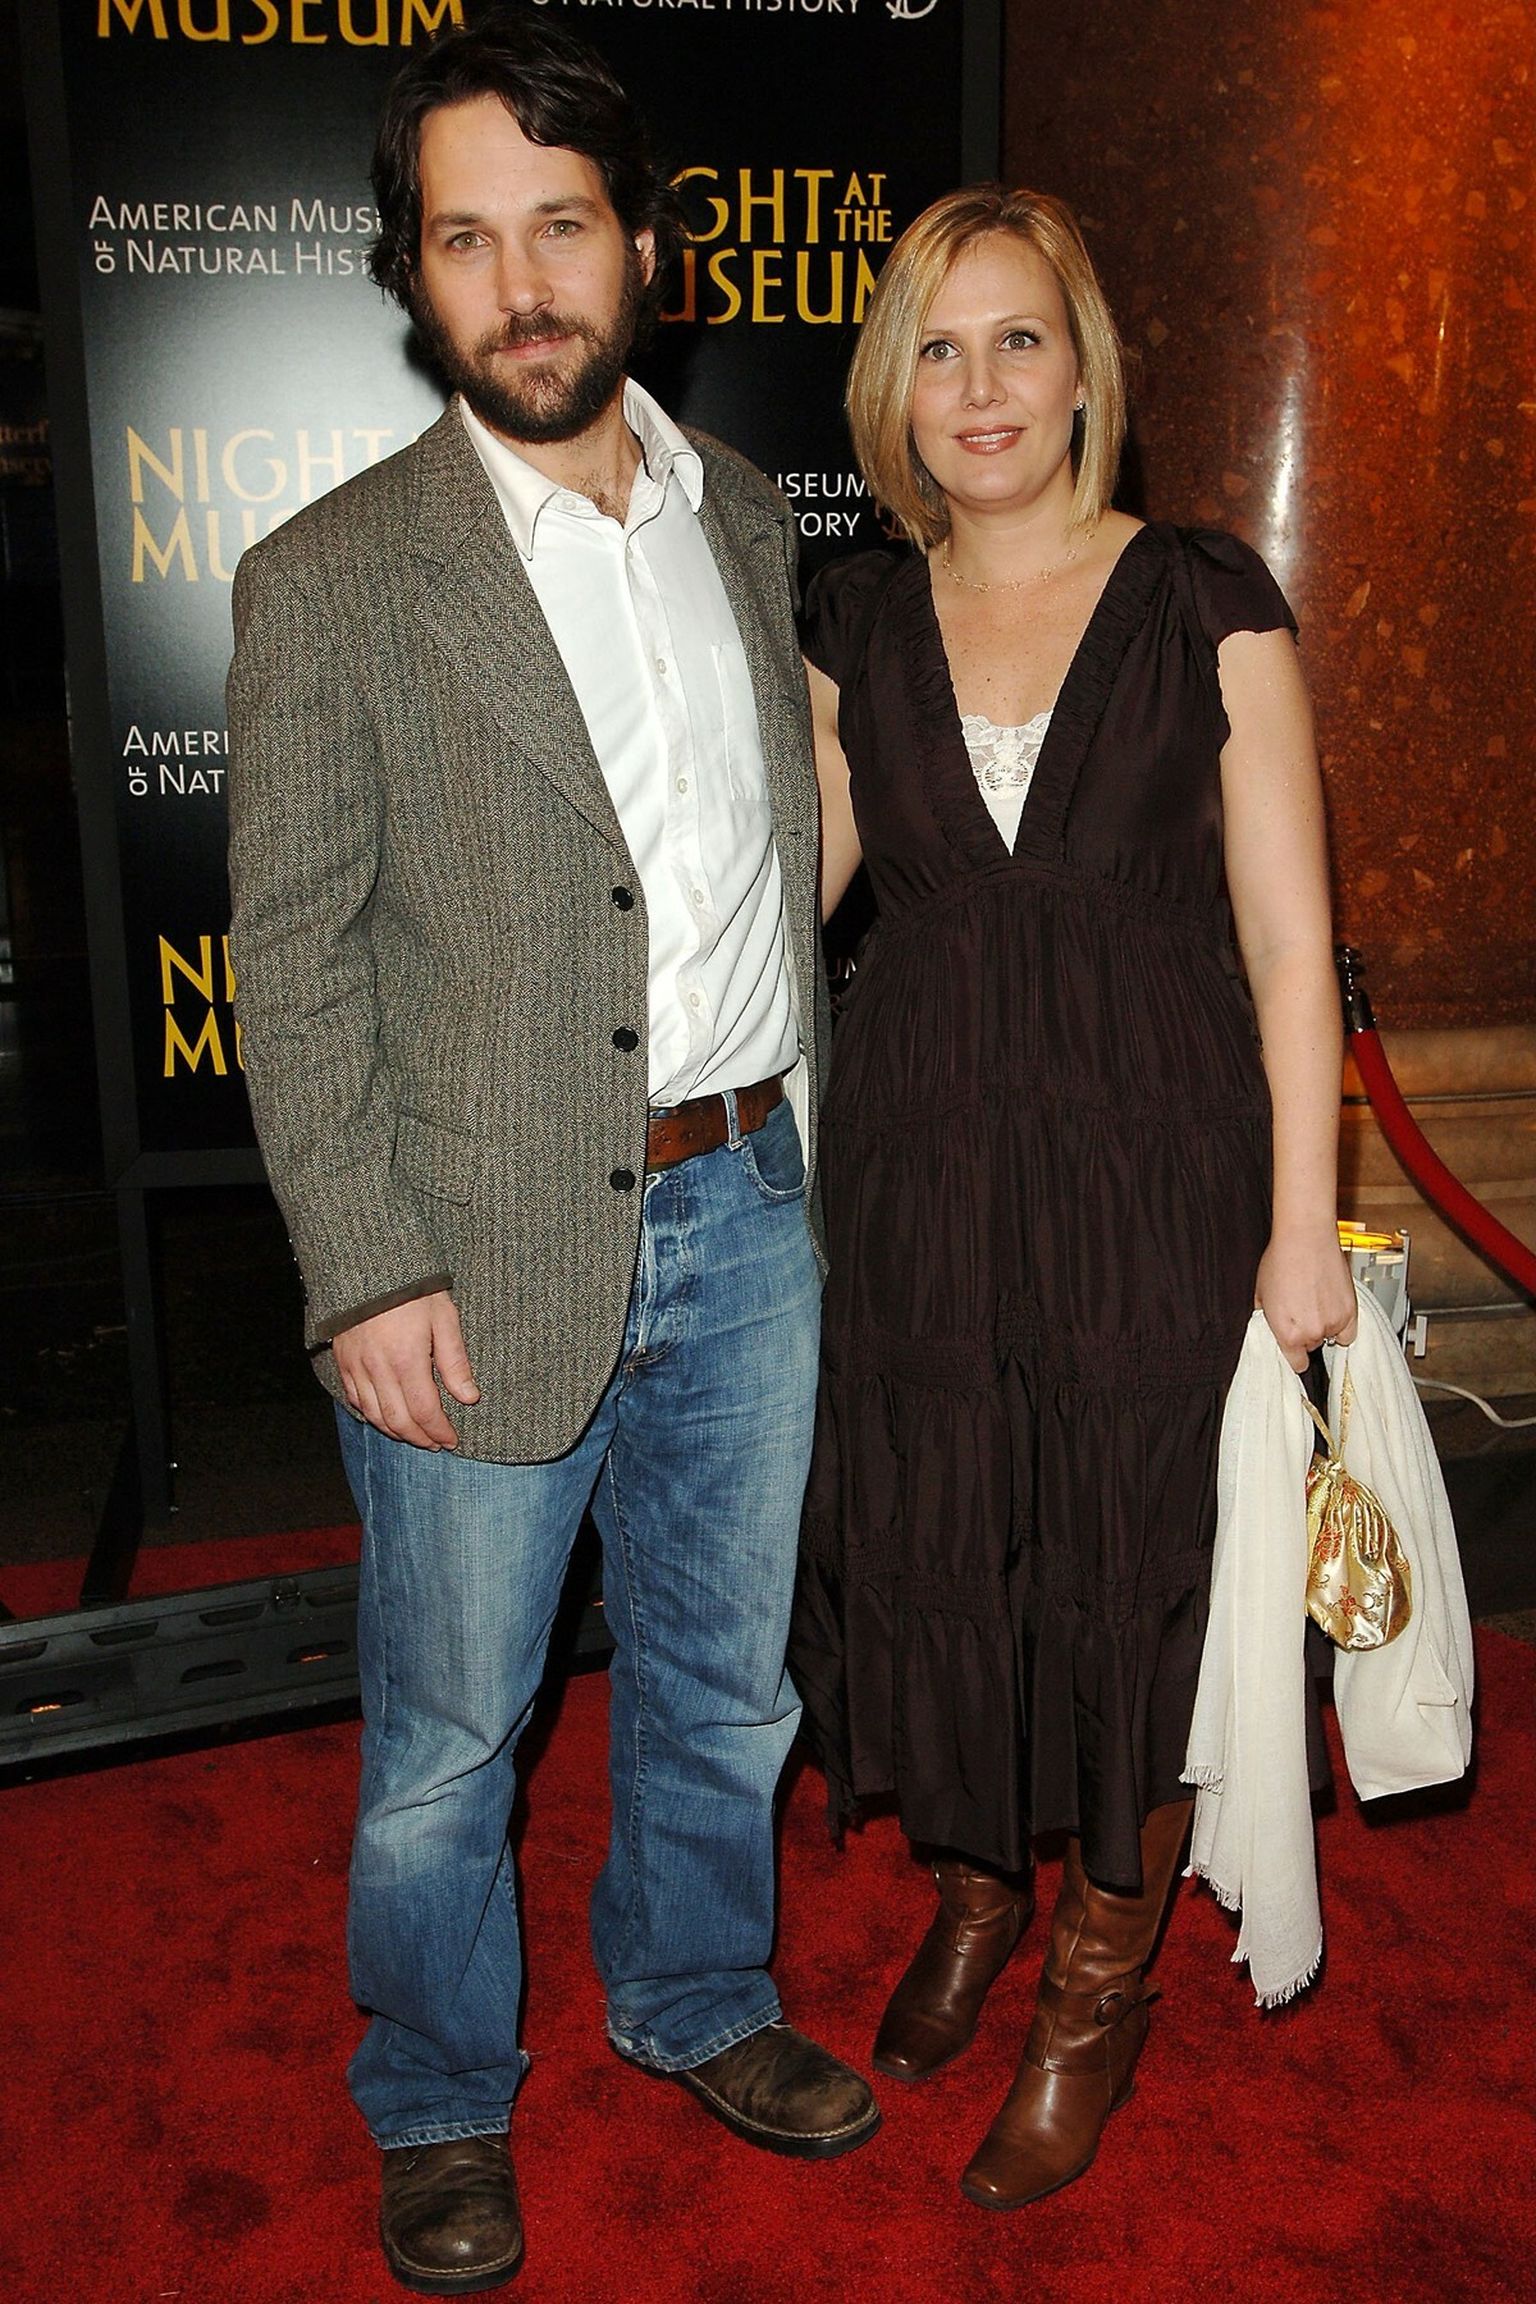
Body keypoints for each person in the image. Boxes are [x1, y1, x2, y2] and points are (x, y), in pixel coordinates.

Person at [226, 11, 878, 2294]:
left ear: (644, 247)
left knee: (728, 1678)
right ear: (413, 275)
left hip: (750, 1204)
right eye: (463, 238)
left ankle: (696, 1993)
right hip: (474, 1243)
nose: (519, 286)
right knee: (448, 1735)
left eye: (560, 227)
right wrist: (362, 1267)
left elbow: (766, 853)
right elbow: (293, 962)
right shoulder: (329, 580)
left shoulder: (750, 522)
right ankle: (432, 2091)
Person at [790, 185, 1358, 2211]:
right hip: (925, 1174)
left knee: (1135, 1562)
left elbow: (1289, 944)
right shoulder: (854, 622)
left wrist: (1302, 1226)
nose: (981, 387)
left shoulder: (1208, 601)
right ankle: (976, 1886)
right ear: (895, 389)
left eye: (1018, 338)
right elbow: (786, 906)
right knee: (943, 1533)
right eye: (938, 349)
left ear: (1085, 368)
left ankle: (1098, 1976)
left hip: (1155, 1176)